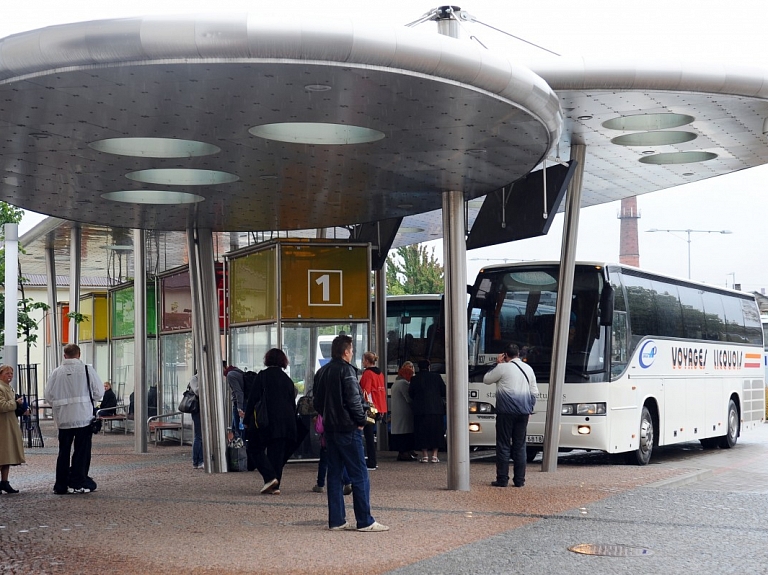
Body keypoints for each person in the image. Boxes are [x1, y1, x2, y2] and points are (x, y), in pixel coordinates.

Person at [313, 334, 388, 532]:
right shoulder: (347, 371)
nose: (353, 353)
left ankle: (337, 520)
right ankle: (365, 521)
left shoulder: (322, 372)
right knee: (359, 474)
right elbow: (354, 401)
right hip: (348, 429)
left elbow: (317, 403)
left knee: (335, 474)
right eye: (352, 350)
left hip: (330, 429)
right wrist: (361, 421)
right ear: (346, 352)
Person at [45, 344, 103, 494]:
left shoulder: (56, 372)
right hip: (83, 417)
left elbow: (48, 395)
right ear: (79, 354)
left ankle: (60, 485)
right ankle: (78, 480)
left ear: (64, 356)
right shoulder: (87, 369)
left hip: (63, 419)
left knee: (63, 452)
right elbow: (98, 392)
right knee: (81, 451)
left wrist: (59, 406)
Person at [482, 343, 538, 488]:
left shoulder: (502, 367)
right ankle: (519, 480)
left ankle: (502, 479)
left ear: (505, 355)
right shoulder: (528, 368)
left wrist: (497, 363)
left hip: (505, 412)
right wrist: (529, 408)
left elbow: (486, 379)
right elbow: (534, 392)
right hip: (523, 412)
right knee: (520, 446)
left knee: (503, 445)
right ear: (518, 354)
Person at [243, 348, 297, 495]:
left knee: (254, 448)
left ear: (267, 360)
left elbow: (253, 399)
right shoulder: (287, 380)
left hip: (266, 421)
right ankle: (275, 486)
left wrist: (247, 420)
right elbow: (292, 404)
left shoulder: (262, 376)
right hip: (285, 423)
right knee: (277, 454)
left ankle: (270, 477)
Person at [408, 359, 446, 463]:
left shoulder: (414, 379)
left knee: (422, 432)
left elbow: (411, 394)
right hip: (436, 409)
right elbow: (443, 391)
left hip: (420, 410)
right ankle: (434, 455)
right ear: (429, 366)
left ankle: (424, 456)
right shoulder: (436, 377)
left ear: (418, 367)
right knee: (436, 432)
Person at [312, 412, 353, 495]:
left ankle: (320, 484)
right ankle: (347, 482)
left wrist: (316, 421)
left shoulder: (324, 410)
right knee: (341, 462)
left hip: (327, 441)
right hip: (342, 438)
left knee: (323, 463)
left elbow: (319, 429)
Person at [359, 351, 387, 470]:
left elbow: (365, 391)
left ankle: (371, 461)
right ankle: (372, 460)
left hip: (370, 408)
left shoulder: (367, 374)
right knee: (370, 434)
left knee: (368, 436)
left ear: (366, 361)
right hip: (379, 406)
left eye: (363, 360)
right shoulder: (380, 373)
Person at [0, 365, 25, 494]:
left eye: (11, 373)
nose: (10, 375)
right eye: (7, 373)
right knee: (2, 454)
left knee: (7, 454)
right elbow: (2, 405)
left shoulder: (9, 387)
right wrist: (16, 403)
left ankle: (5, 481)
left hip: (9, 423)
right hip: (2, 425)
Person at [390, 361, 416, 461]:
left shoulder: (396, 382)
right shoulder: (404, 383)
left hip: (397, 412)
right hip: (404, 412)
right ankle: (405, 453)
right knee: (406, 433)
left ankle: (404, 452)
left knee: (400, 432)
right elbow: (408, 398)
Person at [225, 363, 246, 440]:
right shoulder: (237, 372)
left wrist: (240, 409)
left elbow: (238, 392)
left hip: (239, 404)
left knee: (238, 430)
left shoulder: (230, 375)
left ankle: (240, 448)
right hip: (242, 402)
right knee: (235, 428)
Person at [188, 373, 204, 469]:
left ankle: (200, 460)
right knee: (199, 436)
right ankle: (196, 461)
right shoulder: (194, 379)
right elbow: (197, 391)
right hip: (197, 410)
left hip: (202, 410)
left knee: (202, 436)